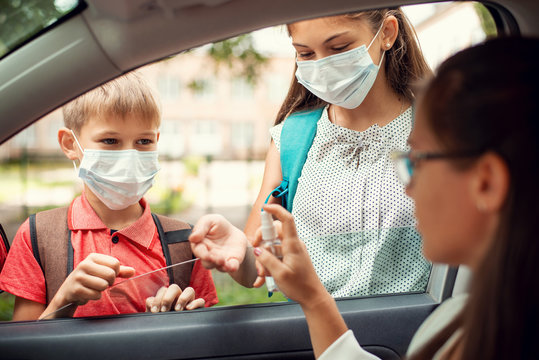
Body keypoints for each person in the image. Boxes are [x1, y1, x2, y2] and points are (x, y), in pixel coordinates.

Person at [250, 37, 539, 359]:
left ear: (486, 183)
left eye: (417, 160)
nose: (408, 188)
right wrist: (315, 299)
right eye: (304, 52)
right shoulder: (474, 316)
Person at [236, 8, 433, 296]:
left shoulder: (436, 130)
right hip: (314, 336)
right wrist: (234, 249)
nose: (322, 66)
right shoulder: (291, 139)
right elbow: (256, 264)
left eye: (339, 48)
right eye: (305, 54)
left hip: (411, 333)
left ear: (387, 33)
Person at [0, 73, 218, 321]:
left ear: (157, 141)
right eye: (110, 140)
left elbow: (203, 340)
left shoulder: (186, 242)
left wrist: (180, 318)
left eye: (144, 141)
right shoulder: (38, 236)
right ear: (70, 144)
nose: (129, 156)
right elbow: (24, 349)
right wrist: (64, 300)